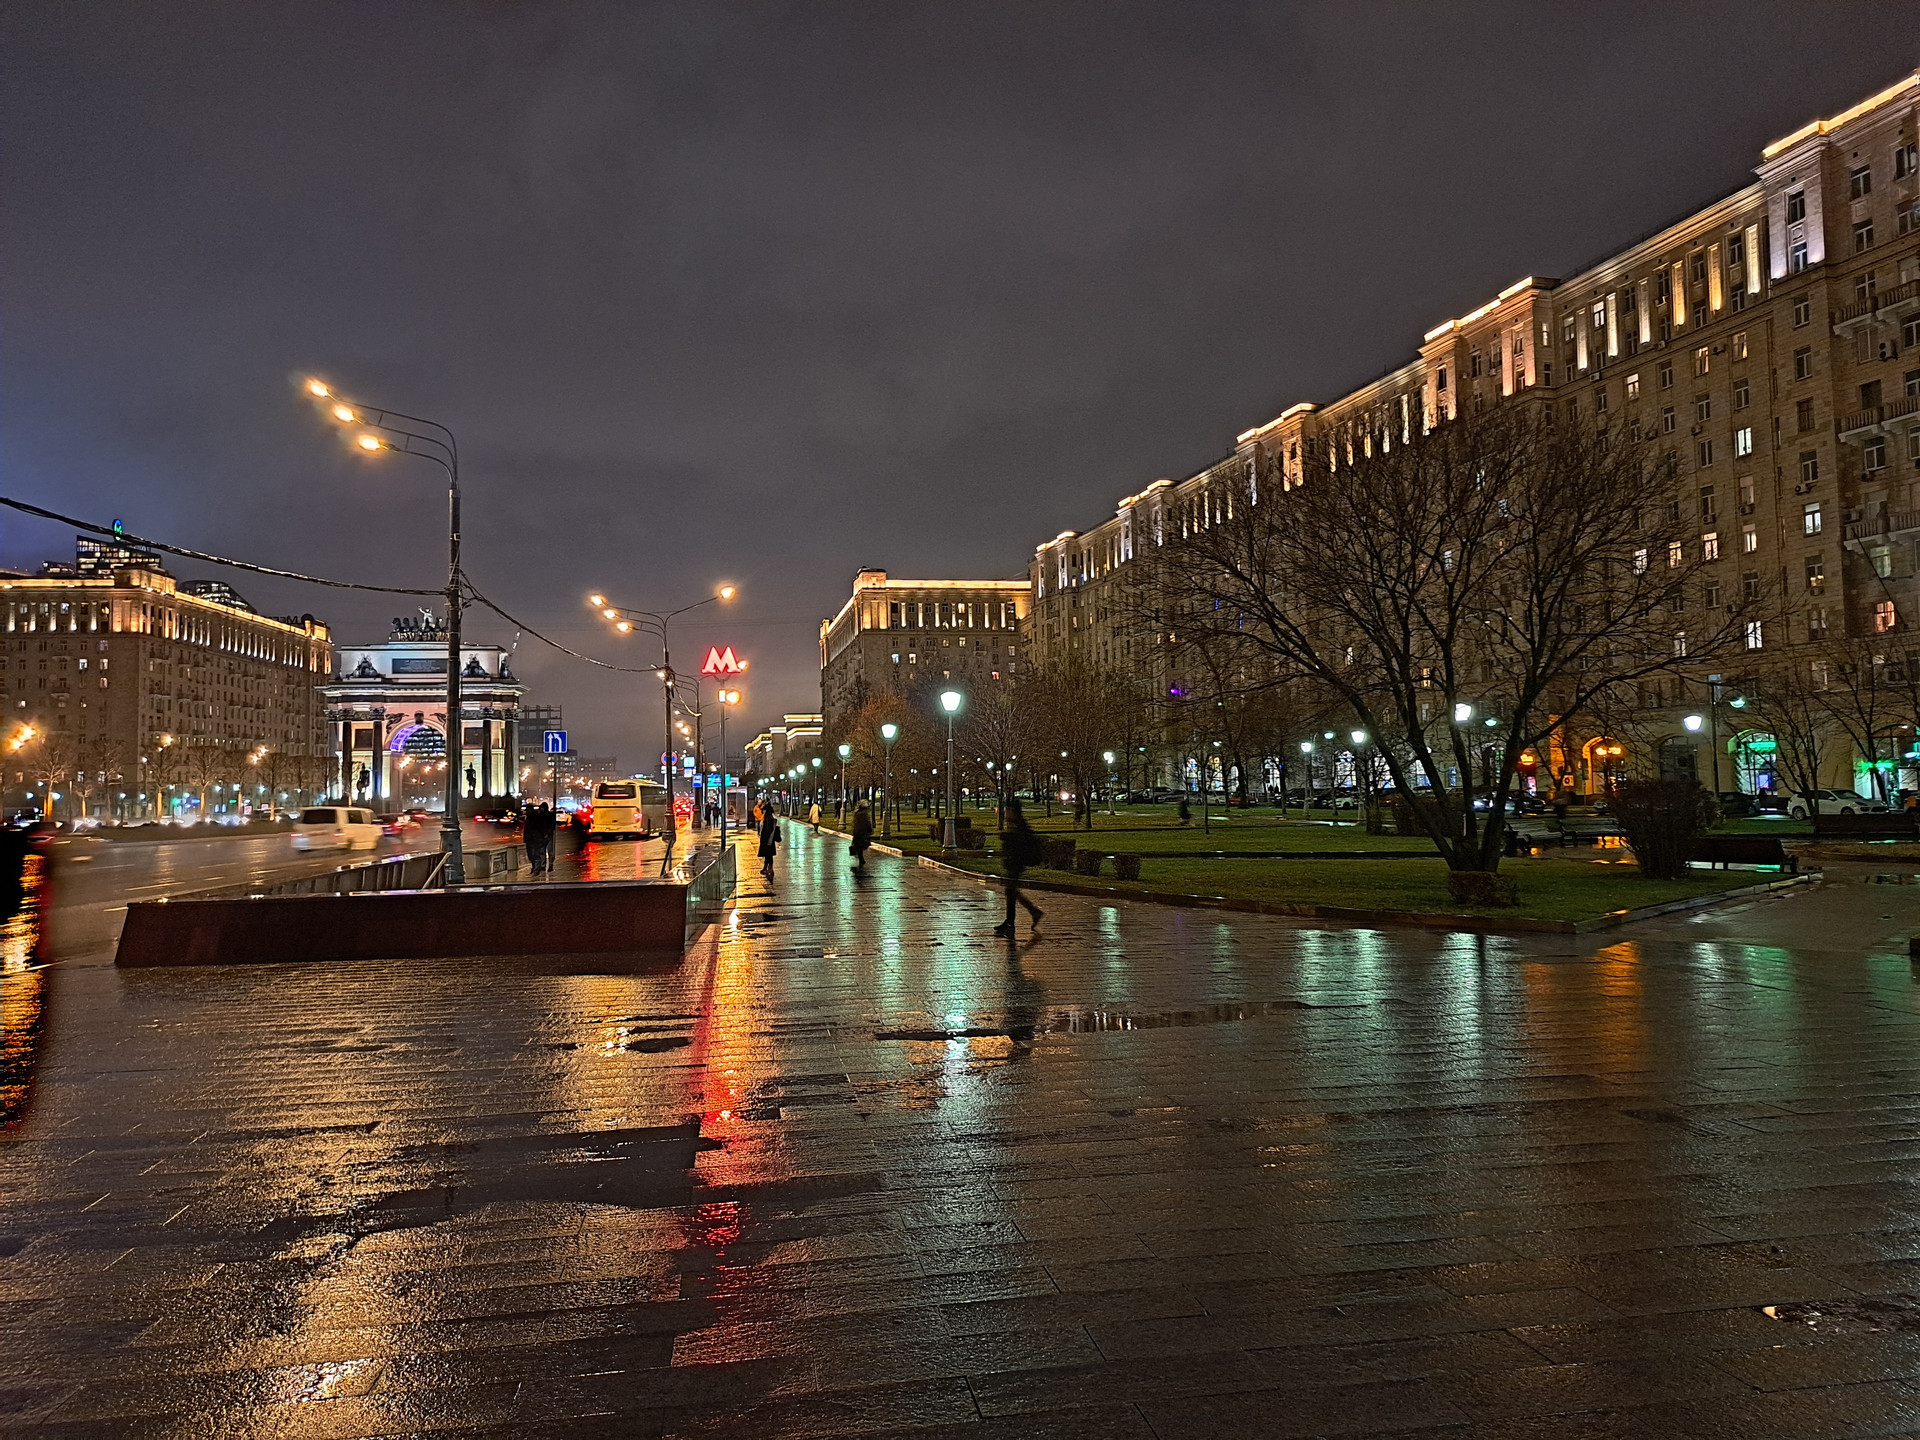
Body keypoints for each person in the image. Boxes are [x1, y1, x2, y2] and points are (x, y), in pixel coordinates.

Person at [993, 798, 1044, 936]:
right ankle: (1032, 912)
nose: (1005, 812)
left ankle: (1013, 922)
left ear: (1013, 810)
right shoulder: (1014, 823)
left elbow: (1020, 840)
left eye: (1007, 810)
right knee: (1011, 891)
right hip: (1013, 863)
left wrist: (1006, 837)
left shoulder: (1020, 824)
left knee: (1011, 891)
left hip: (1017, 863)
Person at [757, 799, 780, 878]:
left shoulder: (768, 818)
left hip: (768, 840)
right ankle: (767, 868)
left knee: (768, 855)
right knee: (768, 855)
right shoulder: (768, 817)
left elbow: (768, 830)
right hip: (769, 840)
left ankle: (769, 869)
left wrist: (766, 840)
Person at [850, 801, 873, 869]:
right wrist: (870, 830)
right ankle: (861, 859)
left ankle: (861, 858)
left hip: (858, 832)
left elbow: (855, 823)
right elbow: (867, 822)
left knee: (859, 845)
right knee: (861, 845)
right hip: (862, 832)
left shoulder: (858, 812)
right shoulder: (864, 813)